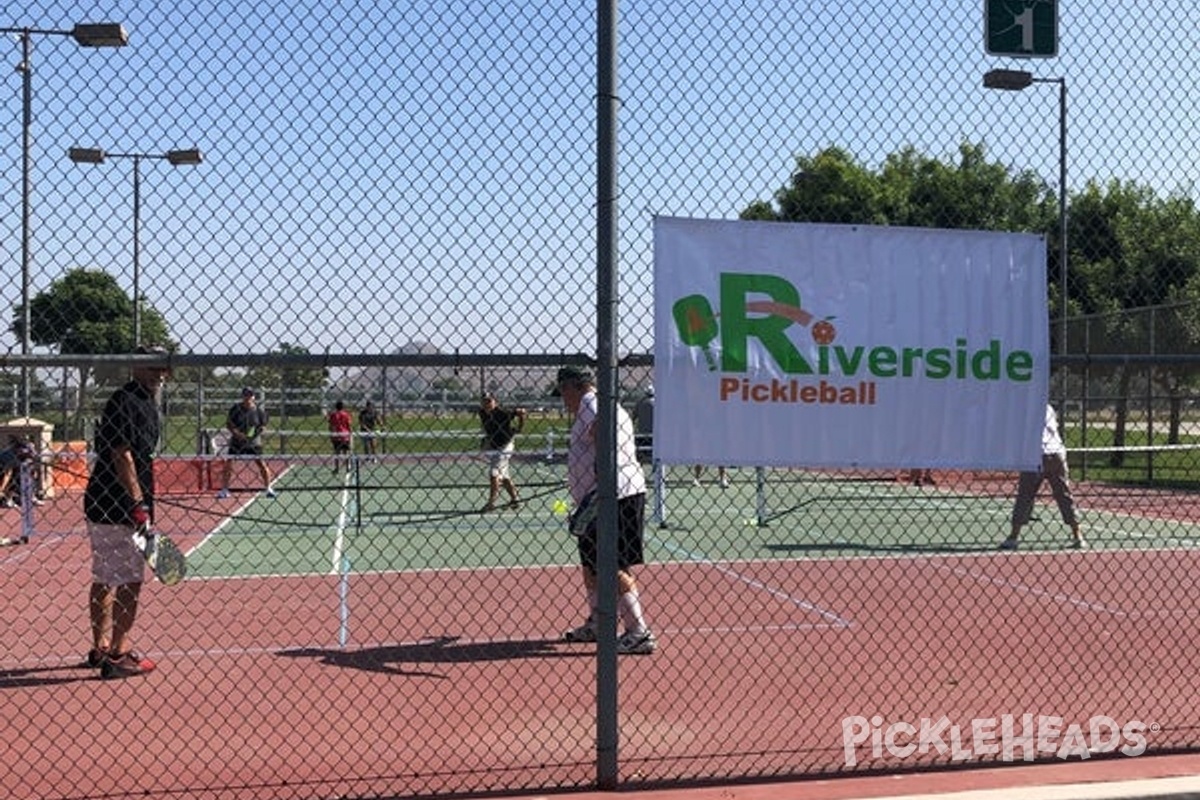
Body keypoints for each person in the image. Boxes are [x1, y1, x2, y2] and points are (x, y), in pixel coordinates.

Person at [83, 345, 173, 678]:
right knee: (130, 580)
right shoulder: (128, 401)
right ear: (136, 367)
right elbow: (123, 453)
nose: (158, 373)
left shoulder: (144, 401)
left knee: (105, 576)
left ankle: (100, 647)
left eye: (162, 367)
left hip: (106, 502)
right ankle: (118, 653)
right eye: (151, 366)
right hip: (119, 506)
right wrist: (137, 503)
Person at [555, 366, 656, 655]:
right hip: (597, 497)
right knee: (591, 565)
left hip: (612, 496)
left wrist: (602, 469)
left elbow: (601, 428)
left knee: (612, 564)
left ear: (573, 387)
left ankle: (638, 631)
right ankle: (600, 623)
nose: (563, 401)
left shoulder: (592, 404)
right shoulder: (599, 405)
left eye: (563, 393)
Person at [1001, 403, 1085, 550]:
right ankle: (1078, 535)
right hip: (1056, 453)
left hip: (1037, 454)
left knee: (1025, 495)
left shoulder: (1025, 407)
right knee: (1064, 494)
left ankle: (1013, 536)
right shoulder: (1047, 407)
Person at [218, 387, 275, 498]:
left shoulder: (259, 411)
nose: (248, 397)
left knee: (261, 464)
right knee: (228, 464)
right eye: (245, 395)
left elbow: (263, 426)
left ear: (253, 397)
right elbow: (229, 424)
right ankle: (224, 489)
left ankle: (268, 488)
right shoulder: (235, 409)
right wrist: (238, 434)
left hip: (254, 443)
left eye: (250, 395)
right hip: (236, 442)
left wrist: (256, 433)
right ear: (242, 396)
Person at [478, 392, 526, 511]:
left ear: (495, 402)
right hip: (495, 446)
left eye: (489, 401)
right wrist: (487, 440)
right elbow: (488, 428)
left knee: (494, 473)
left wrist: (520, 428)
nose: (486, 403)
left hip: (506, 445)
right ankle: (515, 499)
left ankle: (491, 503)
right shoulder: (482, 413)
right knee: (504, 475)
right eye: (484, 401)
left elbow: (521, 412)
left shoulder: (502, 413)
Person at [328, 400, 353, 473]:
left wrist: (331, 434)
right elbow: (349, 425)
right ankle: (348, 467)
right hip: (345, 436)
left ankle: (337, 468)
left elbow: (331, 426)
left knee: (337, 453)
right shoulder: (346, 414)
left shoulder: (333, 415)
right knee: (346, 452)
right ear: (343, 407)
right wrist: (350, 433)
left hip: (336, 436)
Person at [633, 385, 654, 464]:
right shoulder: (658, 403)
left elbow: (634, 416)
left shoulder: (640, 402)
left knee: (641, 453)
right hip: (654, 432)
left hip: (642, 432)